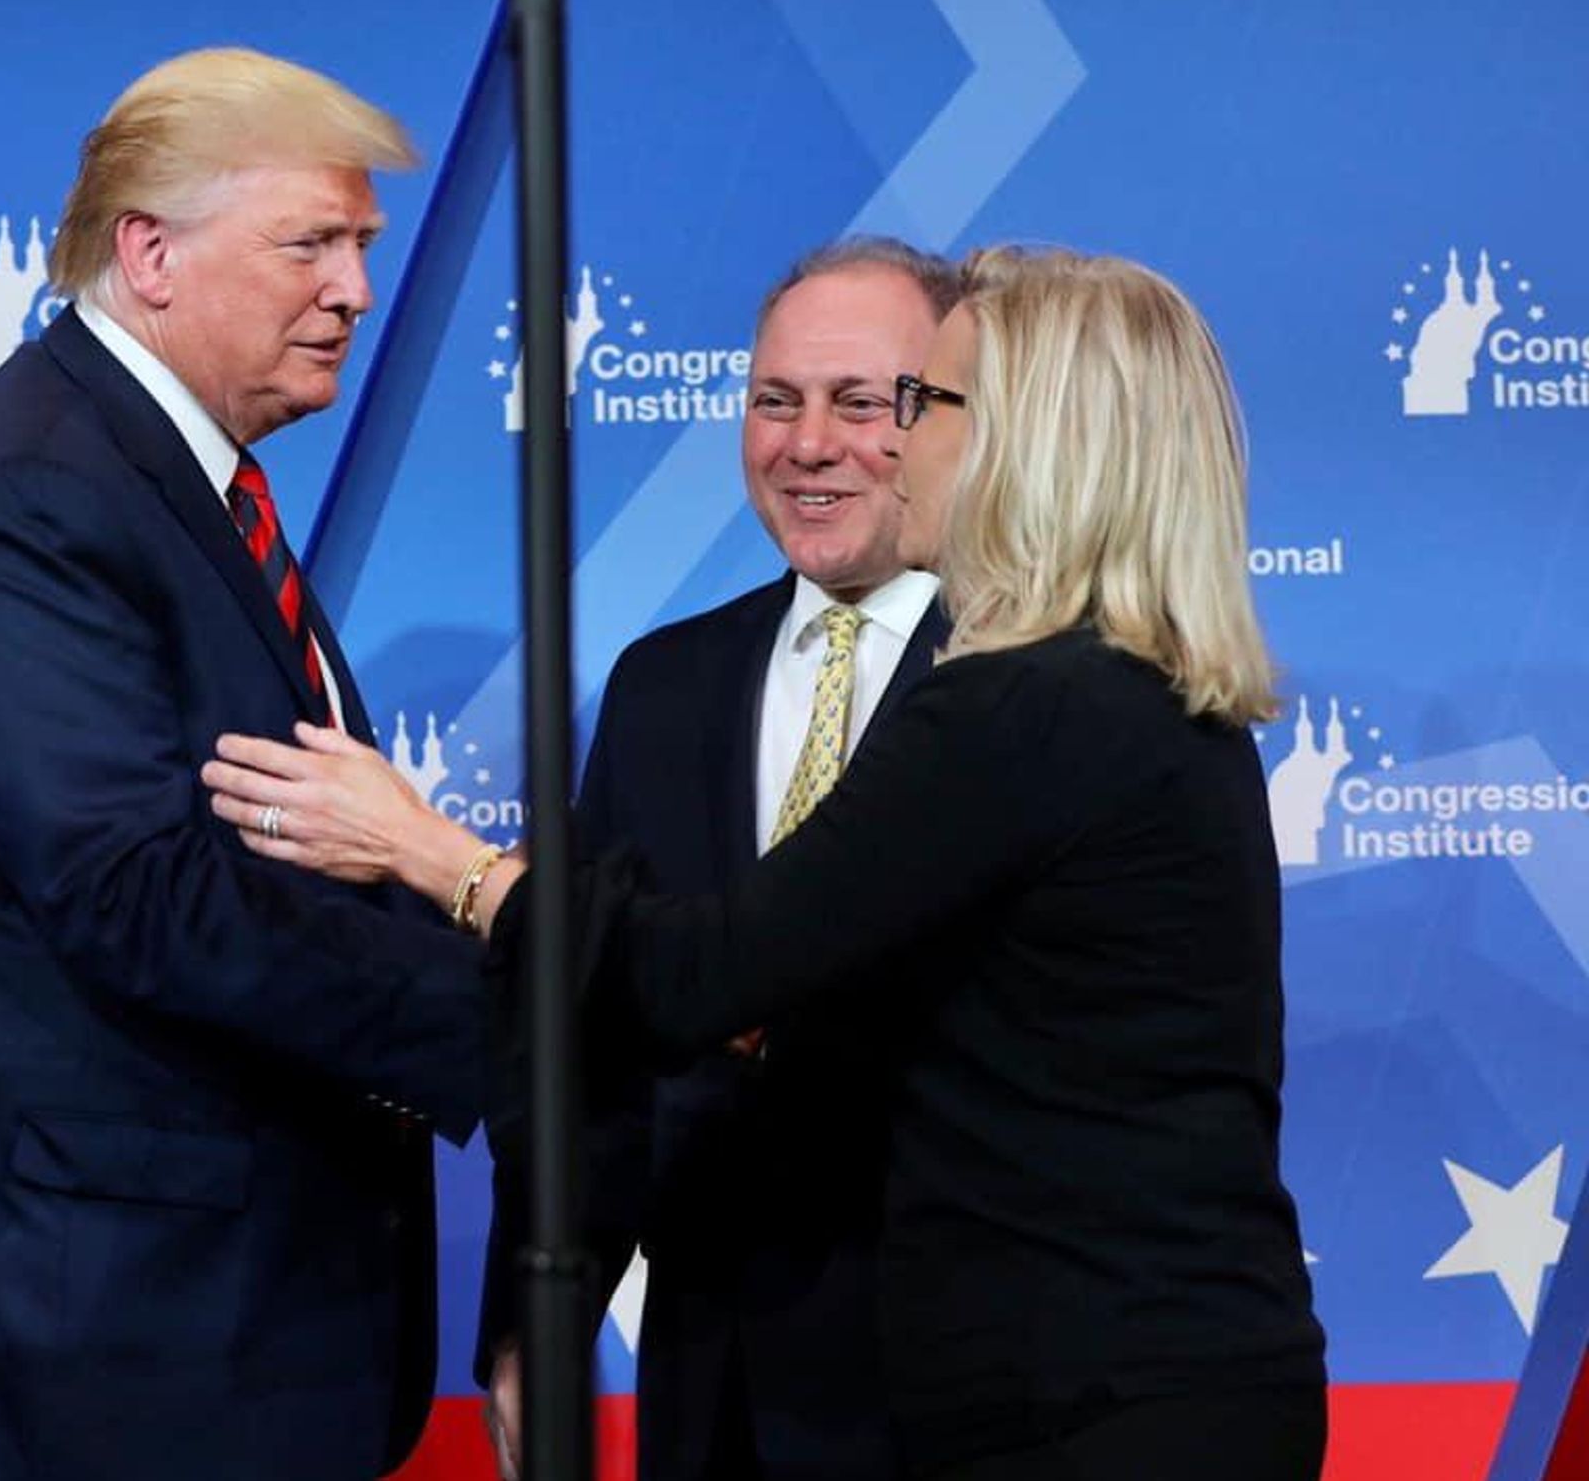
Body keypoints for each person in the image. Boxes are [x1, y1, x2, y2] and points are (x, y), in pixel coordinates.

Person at [203, 245, 1331, 1479]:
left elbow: (709, 972)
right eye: (778, 399)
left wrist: (436, 857)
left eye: (912, 402)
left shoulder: (1020, 704)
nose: (876, 442)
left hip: (1076, 1394)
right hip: (1055, 1376)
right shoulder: (1132, 691)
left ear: (1028, 440)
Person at [0, 48, 486, 1481]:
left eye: (362, 246)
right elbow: (138, 894)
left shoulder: (151, 480)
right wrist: (529, 1019)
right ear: (149, 251)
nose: (353, 289)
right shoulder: (36, 499)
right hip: (72, 1353)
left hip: (160, 1335)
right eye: (310, 243)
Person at [476, 237, 959, 1481]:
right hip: (717, 1380)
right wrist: (540, 1323)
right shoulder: (665, 684)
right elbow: (588, 1035)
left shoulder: (1028, 678)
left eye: (860, 403)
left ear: (956, 414)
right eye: (772, 400)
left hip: (960, 1375)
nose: (806, 444)